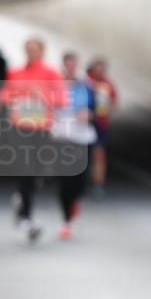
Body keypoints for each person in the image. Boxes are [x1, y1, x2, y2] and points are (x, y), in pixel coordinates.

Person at [0, 37, 69, 243]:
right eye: (27, 49)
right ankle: (26, 218)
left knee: (37, 173)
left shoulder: (51, 73)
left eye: (34, 50)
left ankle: (21, 200)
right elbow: (7, 93)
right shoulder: (16, 72)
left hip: (41, 128)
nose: (30, 53)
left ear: (42, 51)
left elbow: (62, 99)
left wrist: (43, 97)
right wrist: (0, 99)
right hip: (20, 127)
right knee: (25, 168)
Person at [52, 51, 97, 239]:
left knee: (80, 178)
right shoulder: (54, 85)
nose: (70, 68)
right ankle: (66, 221)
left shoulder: (87, 86)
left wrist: (88, 113)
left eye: (73, 64)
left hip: (81, 136)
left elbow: (97, 109)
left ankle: (75, 199)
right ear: (63, 65)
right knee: (65, 178)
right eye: (67, 64)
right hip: (61, 135)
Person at [86, 57, 118, 198]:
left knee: (99, 154)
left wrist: (107, 108)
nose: (99, 72)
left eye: (102, 69)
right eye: (96, 68)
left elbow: (114, 102)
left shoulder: (108, 84)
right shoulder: (85, 83)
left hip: (100, 124)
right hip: (84, 123)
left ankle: (98, 183)